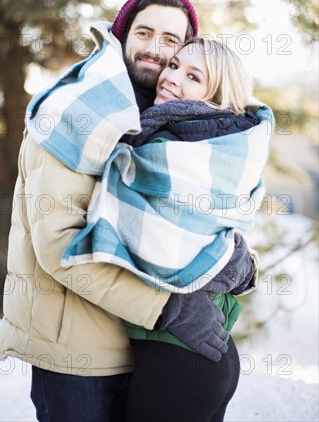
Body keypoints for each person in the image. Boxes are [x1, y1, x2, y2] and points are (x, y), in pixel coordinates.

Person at [0, 0, 255, 422]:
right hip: (81, 360)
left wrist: (238, 260)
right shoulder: (75, 112)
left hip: (148, 348)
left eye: (171, 42)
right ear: (120, 36)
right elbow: (60, 248)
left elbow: (193, 217)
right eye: (145, 33)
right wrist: (169, 309)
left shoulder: (165, 124)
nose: (156, 51)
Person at [62, 37, 274, 421]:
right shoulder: (207, 134)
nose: (171, 77)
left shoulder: (172, 142)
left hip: (179, 357)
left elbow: (152, 236)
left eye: (193, 76)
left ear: (217, 94)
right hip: (207, 354)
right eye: (174, 65)